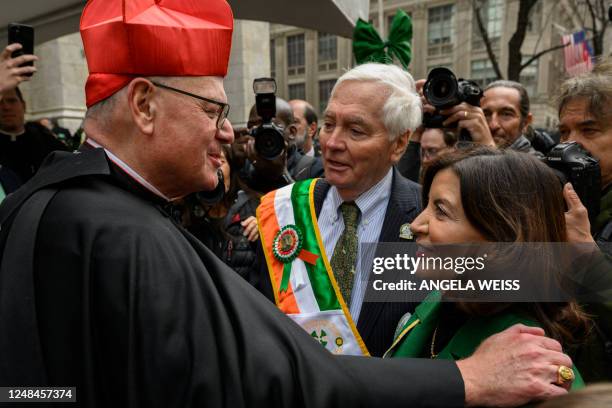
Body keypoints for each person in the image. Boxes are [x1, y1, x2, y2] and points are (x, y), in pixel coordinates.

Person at [0, 2, 578, 406]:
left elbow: (510, 276)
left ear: (401, 143)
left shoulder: (421, 223)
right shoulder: (276, 209)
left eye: (356, 129)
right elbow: (256, 366)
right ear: (144, 105)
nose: (330, 142)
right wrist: (462, 382)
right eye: (327, 124)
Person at [386, 148, 589, 392]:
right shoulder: (441, 301)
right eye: (427, 204)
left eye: (441, 211)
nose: (415, 224)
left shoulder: (537, 370)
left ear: (500, 240)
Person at [556, 57, 612, 382]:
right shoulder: (560, 192)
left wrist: (587, 256)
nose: (570, 142)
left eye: (588, 129)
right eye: (564, 130)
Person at [0, 86, 68, 182]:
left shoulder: (50, 145)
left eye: (12, 101)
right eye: (0, 102)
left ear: (23, 106)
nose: (6, 107)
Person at [481, 80, 542, 156]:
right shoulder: (464, 153)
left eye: (506, 114)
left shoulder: (536, 164)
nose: (493, 125)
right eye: (486, 115)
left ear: (526, 122)